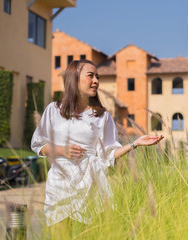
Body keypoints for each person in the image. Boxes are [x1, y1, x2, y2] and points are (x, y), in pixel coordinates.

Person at [31, 59, 163, 235]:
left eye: (97, 77)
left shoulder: (102, 116)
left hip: (91, 188)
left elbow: (108, 152)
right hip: (59, 187)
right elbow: (39, 144)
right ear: (74, 78)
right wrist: (63, 150)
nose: (96, 81)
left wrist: (134, 143)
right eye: (91, 76)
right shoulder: (54, 110)